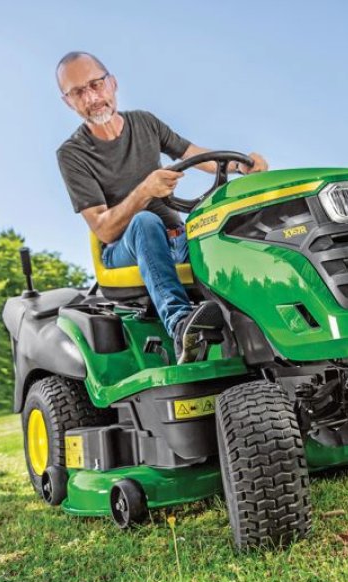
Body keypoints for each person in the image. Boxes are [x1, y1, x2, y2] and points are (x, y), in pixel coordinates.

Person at [55, 51, 268, 363]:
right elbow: (103, 228)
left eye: (96, 85)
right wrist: (144, 190)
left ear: (112, 83)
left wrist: (240, 165)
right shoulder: (72, 154)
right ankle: (181, 326)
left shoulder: (145, 123)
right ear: (68, 101)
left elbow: (196, 155)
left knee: (222, 225)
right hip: (122, 248)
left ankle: (261, 318)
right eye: (78, 92)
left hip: (174, 237)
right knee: (144, 222)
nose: (91, 97)